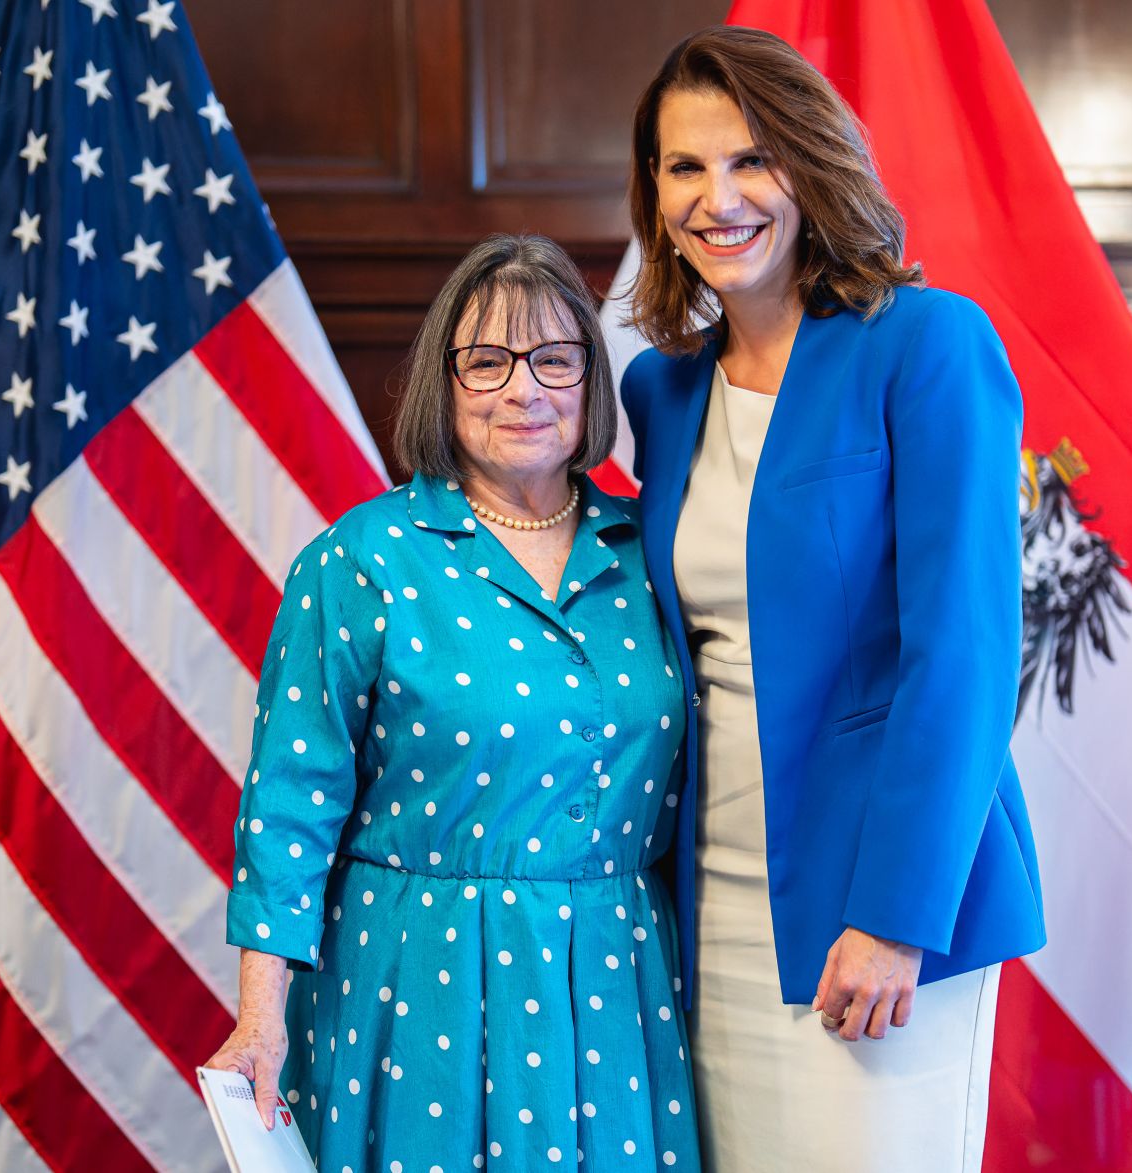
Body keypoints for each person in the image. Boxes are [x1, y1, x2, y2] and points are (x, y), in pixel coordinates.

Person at [617, 26, 1047, 1172]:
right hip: (702, 904)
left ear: (810, 164)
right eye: (685, 168)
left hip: (873, 899)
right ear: (652, 194)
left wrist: (894, 913)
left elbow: (959, 655)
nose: (719, 198)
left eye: (751, 159)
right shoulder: (656, 389)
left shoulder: (926, 345)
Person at [205, 233, 702, 1172]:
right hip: (417, 982)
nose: (527, 389)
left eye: (557, 357)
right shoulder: (363, 560)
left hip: (616, 974)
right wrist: (260, 1017)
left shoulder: (652, 553)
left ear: (593, 381)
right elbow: (287, 808)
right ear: (446, 380)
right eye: (489, 361)